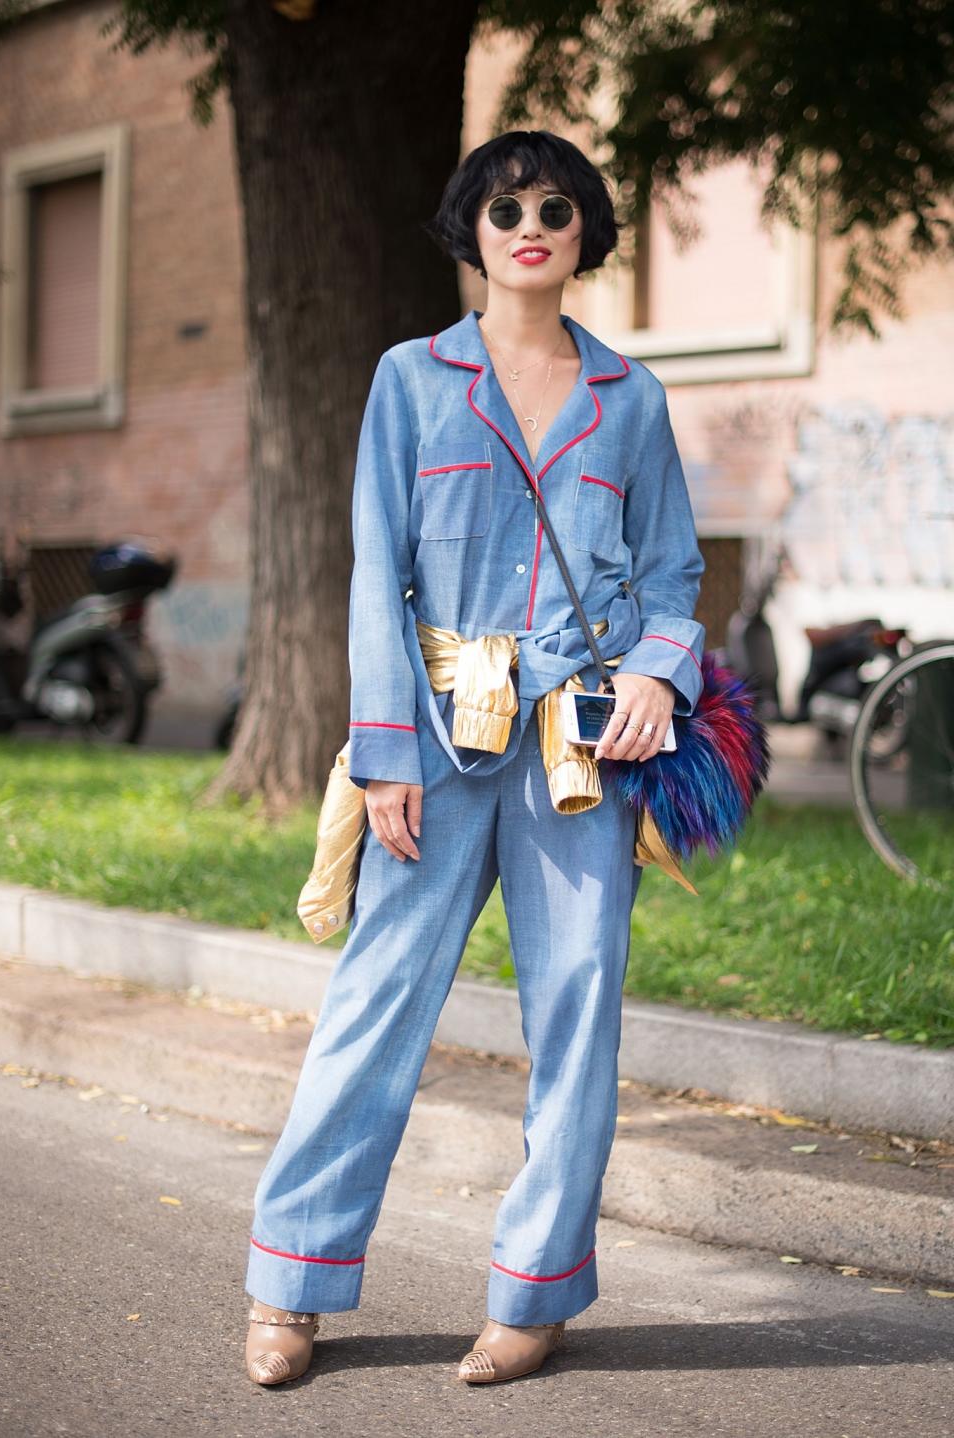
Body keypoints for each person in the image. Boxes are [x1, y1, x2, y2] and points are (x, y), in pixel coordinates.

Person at [243, 128, 705, 1387]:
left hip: (576, 745)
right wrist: (384, 750)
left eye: (557, 206)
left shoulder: (633, 398)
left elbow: (672, 574)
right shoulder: (412, 378)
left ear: (584, 231)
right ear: (474, 231)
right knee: (374, 1007)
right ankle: (290, 1282)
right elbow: (373, 570)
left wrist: (661, 672)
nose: (530, 224)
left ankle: (536, 1294)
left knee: (577, 1014)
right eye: (505, 208)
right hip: (438, 746)